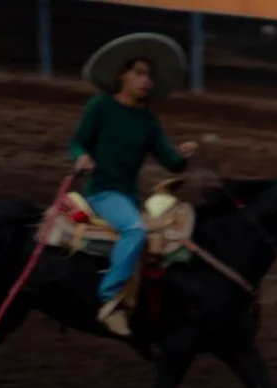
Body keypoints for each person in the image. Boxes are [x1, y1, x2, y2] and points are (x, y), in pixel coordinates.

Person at [68, 33, 199, 337]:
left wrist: (181, 156)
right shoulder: (100, 106)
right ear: (122, 76)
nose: (146, 80)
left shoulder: (148, 121)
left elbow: (170, 161)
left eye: (149, 75)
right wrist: (82, 157)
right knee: (136, 230)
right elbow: (78, 142)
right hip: (101, 193)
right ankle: (109, 299)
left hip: (126, 196)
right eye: (139, 73)